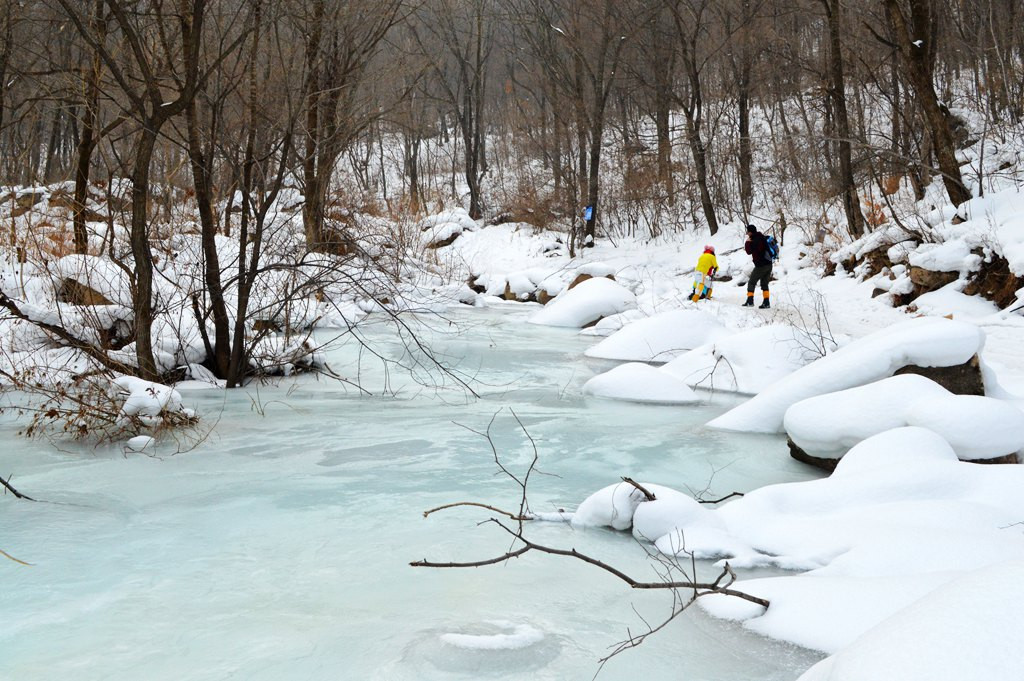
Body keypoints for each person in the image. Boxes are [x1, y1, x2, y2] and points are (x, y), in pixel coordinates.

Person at [744, 224, 772, 308]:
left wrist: (747, 242)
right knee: (764, 283)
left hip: (761, 265)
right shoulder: (761, 237)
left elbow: (749, 251)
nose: (747, 233)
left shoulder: (755, 240)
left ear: (750, 232)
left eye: (748, 232)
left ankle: (750, 301)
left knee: (751, 282)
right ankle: (766, 303)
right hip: (769, 264)